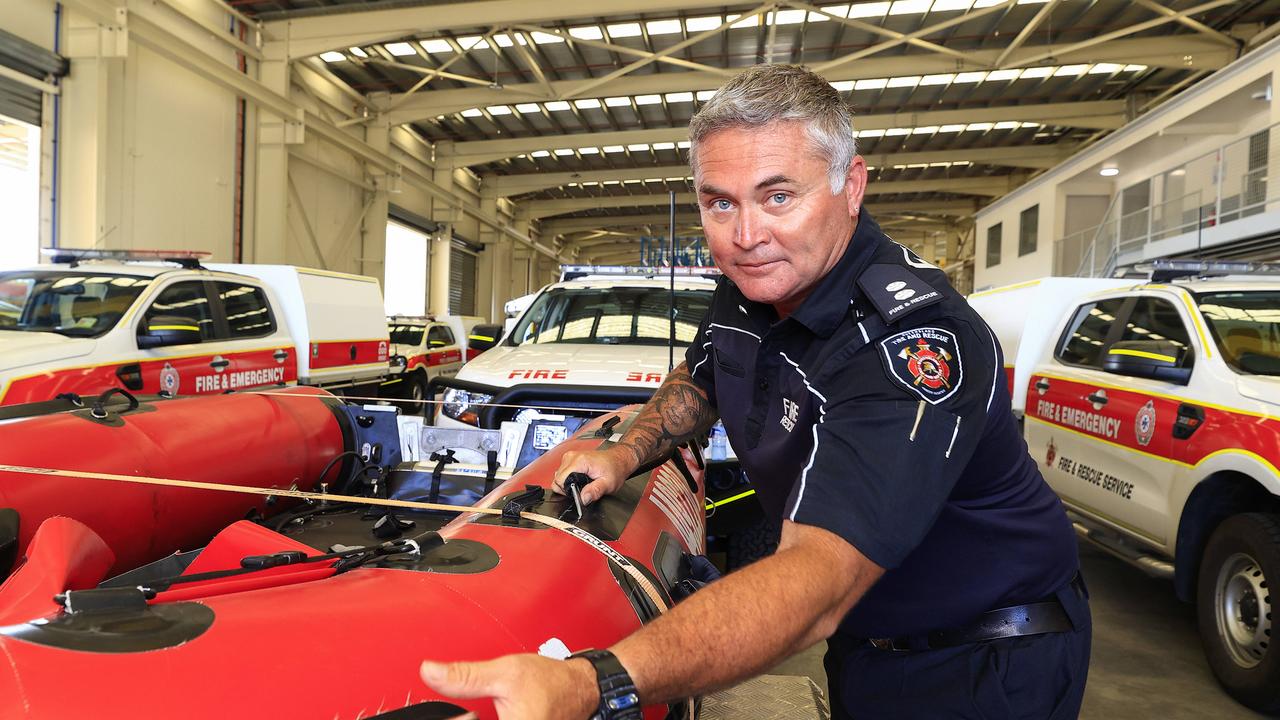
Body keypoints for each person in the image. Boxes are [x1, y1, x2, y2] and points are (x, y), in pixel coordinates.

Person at [419, 63, 1091, 720]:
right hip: (869, 643)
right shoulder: (750, 286)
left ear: (849, 186)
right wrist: (624, 455)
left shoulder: (908, 345)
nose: (745, 236)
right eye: (720, 202)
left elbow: (817, 578)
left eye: (778, 197)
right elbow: (705, 375)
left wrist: (594, 682)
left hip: (986, 660)